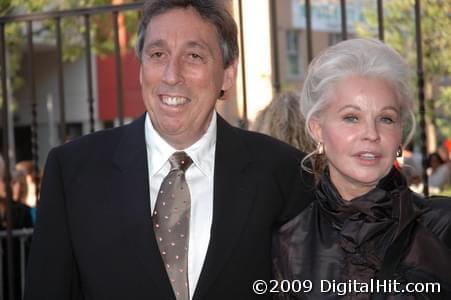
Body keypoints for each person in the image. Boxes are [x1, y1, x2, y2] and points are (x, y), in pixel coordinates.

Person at [24, 1, 314, 299]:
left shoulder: (283, 172)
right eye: (158, 54)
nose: (172, 75)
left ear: (228, 74)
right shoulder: (74, 172)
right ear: (141, 67)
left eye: (194, 56)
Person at [273, 38, 451, 299]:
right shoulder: (286, 242)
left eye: (386, 118)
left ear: (400, 133)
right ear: (317, 129)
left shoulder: (442, 227)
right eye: (351, 117)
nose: (371, 133)